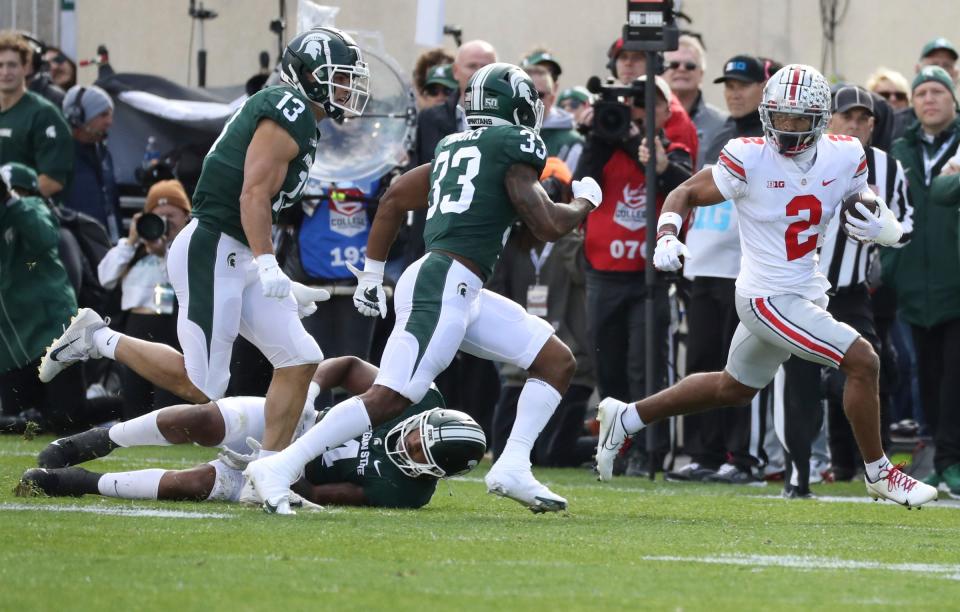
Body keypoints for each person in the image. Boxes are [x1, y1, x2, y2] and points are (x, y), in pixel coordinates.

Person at [244, 63, 604, 514]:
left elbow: (394, 197)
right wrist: (585, 202)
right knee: (392, 395)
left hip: (457, 284)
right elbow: (549, 225)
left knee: (554, 360)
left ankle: (513, 465)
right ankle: (280, 465)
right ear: (516, 104)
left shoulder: (456, 146)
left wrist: (373, 273)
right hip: (445, 282)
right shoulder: (514, 145)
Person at [594, 64, 937, 509]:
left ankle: (627, 416)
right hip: (766, 296)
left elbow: (860, 200)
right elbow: (685, 193)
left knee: (732, 388)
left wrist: (881, 223)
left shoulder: (847, 153)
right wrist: (666, 235)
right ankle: (880, 473)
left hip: (804, 288)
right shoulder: (748, 155)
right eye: (780, 116)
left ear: (819, 118)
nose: (788, 127)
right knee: (862, 361)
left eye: (798, 118)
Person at [37, 27, 366, 470]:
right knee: (204, 385)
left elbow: (254, 196)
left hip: (234, 251)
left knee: (301, 357)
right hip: (214, 246)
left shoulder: (297, 117)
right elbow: (252, 195)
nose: (347, 88)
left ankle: (268, 472)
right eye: (338, 77)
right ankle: (98, 337)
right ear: (307, 76)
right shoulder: (290, 107)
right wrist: (269, 264)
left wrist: (274, 275)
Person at [19, 356, 486, 510]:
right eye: (414, 434)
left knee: (194, 485)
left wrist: (273, 465)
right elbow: (346, 365)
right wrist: (311, 390)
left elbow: (323, 491)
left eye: (416, 452)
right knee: (202, 420)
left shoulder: (404, 492)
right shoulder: (418, 396)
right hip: (296, 420)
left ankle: (74, 483)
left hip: (291, 474)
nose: (405, 442)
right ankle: (90, 442)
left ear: (432, 473)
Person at [774, 85, 914, 496]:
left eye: (862, 119)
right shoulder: (798, 158)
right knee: (797, 384)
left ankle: (878, 470)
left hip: (851, 292)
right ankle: (797, 476)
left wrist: (886, 233)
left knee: (866, 369)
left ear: (872, 125)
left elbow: (907, 226)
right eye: (845, 116)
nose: (853, 125)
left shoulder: (888, 167)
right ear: (828, 118)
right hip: (798, 288)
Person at [669, 54, 780, 485]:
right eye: (729, 84)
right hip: (706, 262)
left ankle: (743, 455)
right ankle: (705, 453)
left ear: (765, 89)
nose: (734, 92)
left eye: (744, 84)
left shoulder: (775, 139)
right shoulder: (719, 132)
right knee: (701, 359)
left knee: (743, 363)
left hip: (749, 267)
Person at [574, 74, 693, 476]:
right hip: (604, 273)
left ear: (665, 110)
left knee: (647, 368)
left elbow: (685, 184)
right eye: (635, 104)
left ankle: (648, 452)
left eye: (650, 103)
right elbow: (581, 185)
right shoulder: (605, 143)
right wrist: (601, 135)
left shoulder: (672, 148)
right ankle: (616, 450)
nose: (641, 112)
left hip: (650, 276)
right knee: (608, 368)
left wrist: (655, 159)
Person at [487, 158, 594, 467]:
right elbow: (493, 290)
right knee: (503, 450)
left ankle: (608, 439)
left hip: (571, 366)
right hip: (521, 367)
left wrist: (566, 224)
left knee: (550, 455)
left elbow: (584, 276)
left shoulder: (573, 245)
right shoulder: (512, 246)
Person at [884, 66, 960, 497]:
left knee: (955, 376)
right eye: (922, 93)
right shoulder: (900, 147)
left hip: (955, 278)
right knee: (926, 376)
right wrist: (892, 267)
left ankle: (950, 459)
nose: (929, 99)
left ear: (953, 99)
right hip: (914, 282)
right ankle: (938, 457)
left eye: (937, 92)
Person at [0, 162, 120, 433]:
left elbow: (43, 238)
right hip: (11, 346)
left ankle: (131, 406)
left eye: (17, 190)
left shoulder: (35, 213)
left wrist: (11, 201)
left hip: (51, 334)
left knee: (66, 417)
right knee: (18, 425)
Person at [97, 180, 191, 419]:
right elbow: (105, 277)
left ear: (186, 216)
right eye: (158, 216)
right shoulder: (133, 249)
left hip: (172, 324)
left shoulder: (189, 247)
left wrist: (163, 253)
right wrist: (131, 242)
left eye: (172, 215)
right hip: (137, 324)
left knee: (167, 394)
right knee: (134, 392)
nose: (165, 222)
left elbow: (185, 280)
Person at [0, 31, 73, 201]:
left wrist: (9, 202)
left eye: (12, 65)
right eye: (0, 65)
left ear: (26, 67)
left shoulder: (44, 114)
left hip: (30, 218)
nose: (5, 72)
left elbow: (53, 180)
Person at [61, 84, 121, 241]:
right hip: (76, 245)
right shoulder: (57, 155)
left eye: (110, 115)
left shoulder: (104, 154)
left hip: (106, 245)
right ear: (78, 116)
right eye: (103, 115)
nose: (109, 122)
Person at [663, 35, 728, 170]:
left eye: (690, 66)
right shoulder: (647, 119)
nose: (681, 69)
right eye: (674, 64)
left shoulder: (723, 124)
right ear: (662, 71)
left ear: (701, 74)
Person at [525, 64, 583, 172]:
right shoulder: (502, 132)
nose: (531, 100)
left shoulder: (572, 142)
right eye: (526, 93)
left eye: (539, 95)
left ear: (552, 99)